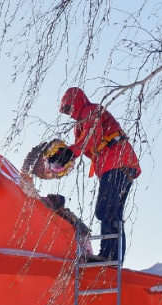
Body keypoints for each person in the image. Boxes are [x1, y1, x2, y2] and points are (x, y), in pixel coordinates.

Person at [49, 87, 141, 262]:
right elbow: (84, 145)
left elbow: (92, 137)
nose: (69, 114)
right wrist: (65, 156)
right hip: (120, 163)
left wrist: (70, 152)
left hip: (117, 162)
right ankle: (114, 258)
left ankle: (109, 256)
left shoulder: (89, 111)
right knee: (113, 212)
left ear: (75, 102)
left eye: (69, 108)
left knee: (105, 209)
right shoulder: (84, 120)